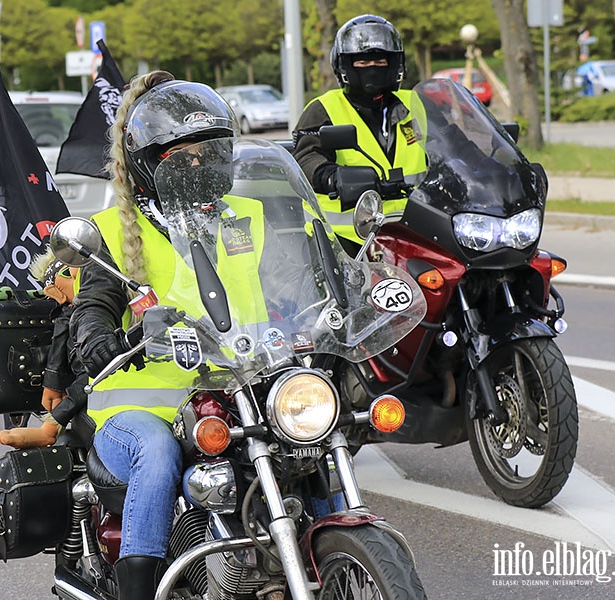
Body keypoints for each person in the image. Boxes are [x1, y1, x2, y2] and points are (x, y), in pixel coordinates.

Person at [69, 71, 315, 600]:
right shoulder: (115, 232)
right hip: (140, 413)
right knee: (157, 454)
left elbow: (290, 279)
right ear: (146, 162)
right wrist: (105, 340)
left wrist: (329, 307)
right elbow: (91, 311)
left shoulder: (249, 216)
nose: (197, 162)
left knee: (310, 439)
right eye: (181, 152)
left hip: (243, 390)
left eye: (209, 149)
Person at [292, 14, 427, 251]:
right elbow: (306, 157)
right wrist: (333, 177)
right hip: (347, 240)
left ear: (395, 64)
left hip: (419, 230)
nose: (371, 69)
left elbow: (453, 141)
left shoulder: (417, 104)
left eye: (380, 61)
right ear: (343, 66)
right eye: (361, 62)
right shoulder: (323, 108)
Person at [0, 248, 83, 449]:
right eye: (68, 273)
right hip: (87, 374)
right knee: (85, 384)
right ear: (56, 293)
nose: (78, 273)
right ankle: (49, 429)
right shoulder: (67, 317)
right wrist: (52, 384)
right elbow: (58, 353)